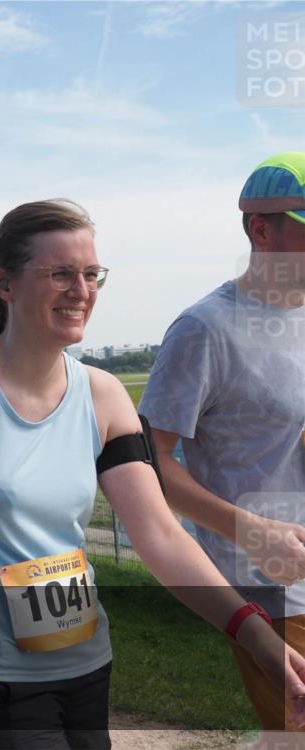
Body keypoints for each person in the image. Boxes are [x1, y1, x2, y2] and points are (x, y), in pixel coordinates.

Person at [0, 200, 305, 750]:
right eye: (61, 273)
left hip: (83, 662)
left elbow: (159, 535)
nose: (82, 290)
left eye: (92, 274)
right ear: (4, 284)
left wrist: (254, 635)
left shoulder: (103, 395)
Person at [140, 151, 305, 739]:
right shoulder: (205, 329)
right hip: (269, 583)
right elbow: (150, 466)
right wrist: (252, 532)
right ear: (261, 228)